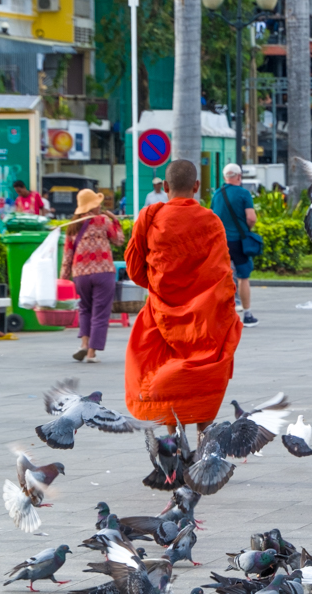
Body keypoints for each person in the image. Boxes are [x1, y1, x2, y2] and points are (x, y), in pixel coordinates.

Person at [124, 159, 242, 433]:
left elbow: (134, 268)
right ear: (197, 186)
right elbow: (222, 272)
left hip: (162, 312)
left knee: (165, 367)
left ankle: (173, 442)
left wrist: (157, 287)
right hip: (206, 316)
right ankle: (204, 441)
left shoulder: (151, 218)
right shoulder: (211, 221)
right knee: (205, 371)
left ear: (165, 186)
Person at [60, 189, 124, 363]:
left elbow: (67, 254)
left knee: (85, 309)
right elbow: (119, 240)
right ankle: (91, 354)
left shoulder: (72, 226)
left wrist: (64, 276)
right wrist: (115, 220)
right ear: (94, 205)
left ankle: (84, 344)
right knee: (100, 313)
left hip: (80, 274)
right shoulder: (102, 221)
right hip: (103, 272)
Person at [213, 163, 259, 327]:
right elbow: (251, 217)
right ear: (239, 176)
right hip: (238, 241)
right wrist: (248, 229)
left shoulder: (217, 194)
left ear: (225, 177)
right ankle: (247, 315)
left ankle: (223, 315)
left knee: (223, 277)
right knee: (243, 277)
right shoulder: (244, 194)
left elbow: (213, 218)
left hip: (221, 242)